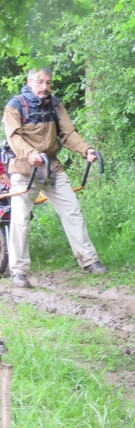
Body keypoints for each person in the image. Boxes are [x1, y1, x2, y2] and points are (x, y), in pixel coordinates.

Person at [3, 68, 107, 288]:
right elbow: (14, 139)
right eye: (40, 82)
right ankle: (19, 272)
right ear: (29, 82)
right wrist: (32, 156)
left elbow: (68, 133)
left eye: (48, 83)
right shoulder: (15, 106)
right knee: (20, 219)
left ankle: (88, 260)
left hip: (52, 168)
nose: (44, 87)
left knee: (72, 211)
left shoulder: (55, 104)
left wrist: (86, 150)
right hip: (24, 170)